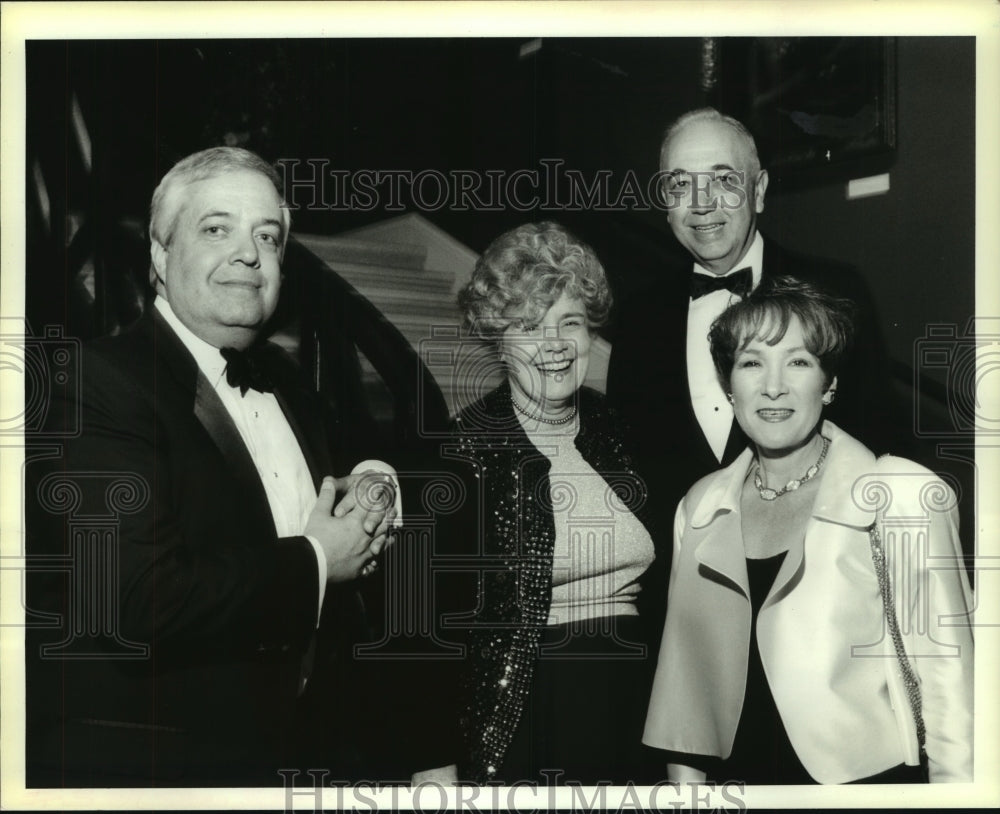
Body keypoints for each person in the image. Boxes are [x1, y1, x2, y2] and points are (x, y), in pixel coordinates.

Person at [25, 147, 402, 786]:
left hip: (302, 753)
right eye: (216, 228)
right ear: (159, 257)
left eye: (268, 236)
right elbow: (139, 599)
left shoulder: (289, 385)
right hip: (164, 764)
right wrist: (318, 559)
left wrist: (372, 483)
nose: (250, 254)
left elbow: (317, 501)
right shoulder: (93, 382)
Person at [642, 277, 974, 784]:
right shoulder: (700, 505)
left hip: (863, 784)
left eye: (798, 361)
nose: (773, 386)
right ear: (729, 385)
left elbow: (952, 688)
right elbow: (683, 688)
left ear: (830, 382)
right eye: (752, 362)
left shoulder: (898, 493)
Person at [607, 107, 908, 538]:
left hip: (814, 572)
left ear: (759, 190)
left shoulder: (836, 290)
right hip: (682, 583)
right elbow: (628, 467)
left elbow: (879, 441)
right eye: (680, 183)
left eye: (724, 179)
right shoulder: (639, 316)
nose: (701, 202)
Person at [432, 222, 662, 786]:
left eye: (570, 323)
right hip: (529, 714)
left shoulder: (622, 429)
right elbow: (425, 627)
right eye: (529, 327)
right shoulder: (462, 450)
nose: (554, 345)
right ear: (497, 340)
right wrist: (432, 762)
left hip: (638, 703)